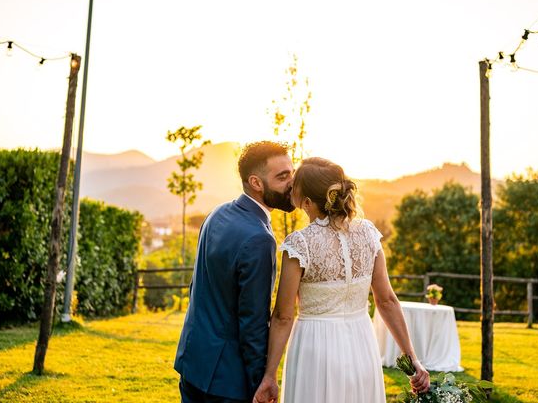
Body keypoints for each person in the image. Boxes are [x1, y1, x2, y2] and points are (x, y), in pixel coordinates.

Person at [254, 157, 430, 403]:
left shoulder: (299, 244)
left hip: (314, 350)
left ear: (306, 202)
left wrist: (269, 376)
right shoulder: (368, 233)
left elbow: (283, 316)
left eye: (295, 186)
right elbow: (387, 300)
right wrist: (413, 358)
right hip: (362, 345)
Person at [173, 141, 295, 403]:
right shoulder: (260, 238)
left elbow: (199, 287)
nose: (292, 183)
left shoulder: (217, 213)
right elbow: (253, 322)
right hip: (227, 382)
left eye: (292, 173)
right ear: (256, 182)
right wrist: (260, 382)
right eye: (282, 176)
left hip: (192, 363)